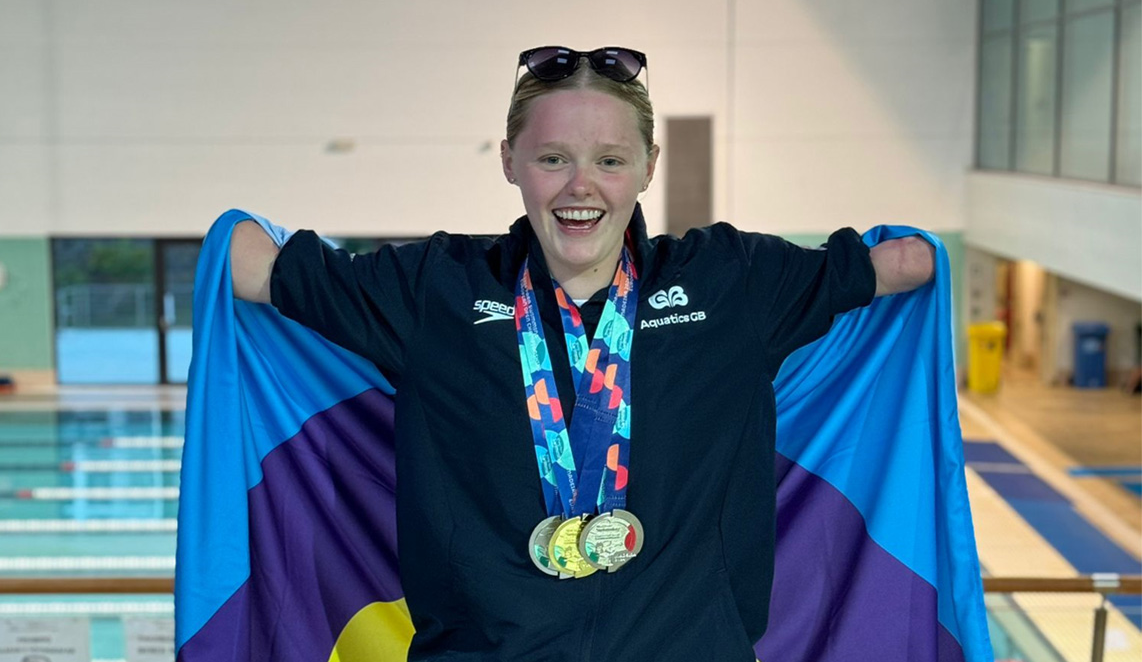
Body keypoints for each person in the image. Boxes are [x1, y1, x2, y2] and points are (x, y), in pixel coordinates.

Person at [227, 46, 936, 661]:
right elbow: (257, 269)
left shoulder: (729, 286)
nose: (580, 186)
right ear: (510, 160)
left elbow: (898, 266)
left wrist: (932, 246)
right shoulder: (436, 291)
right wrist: (233, 220)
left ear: (649, 166)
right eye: (552, 158)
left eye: (609, 160)